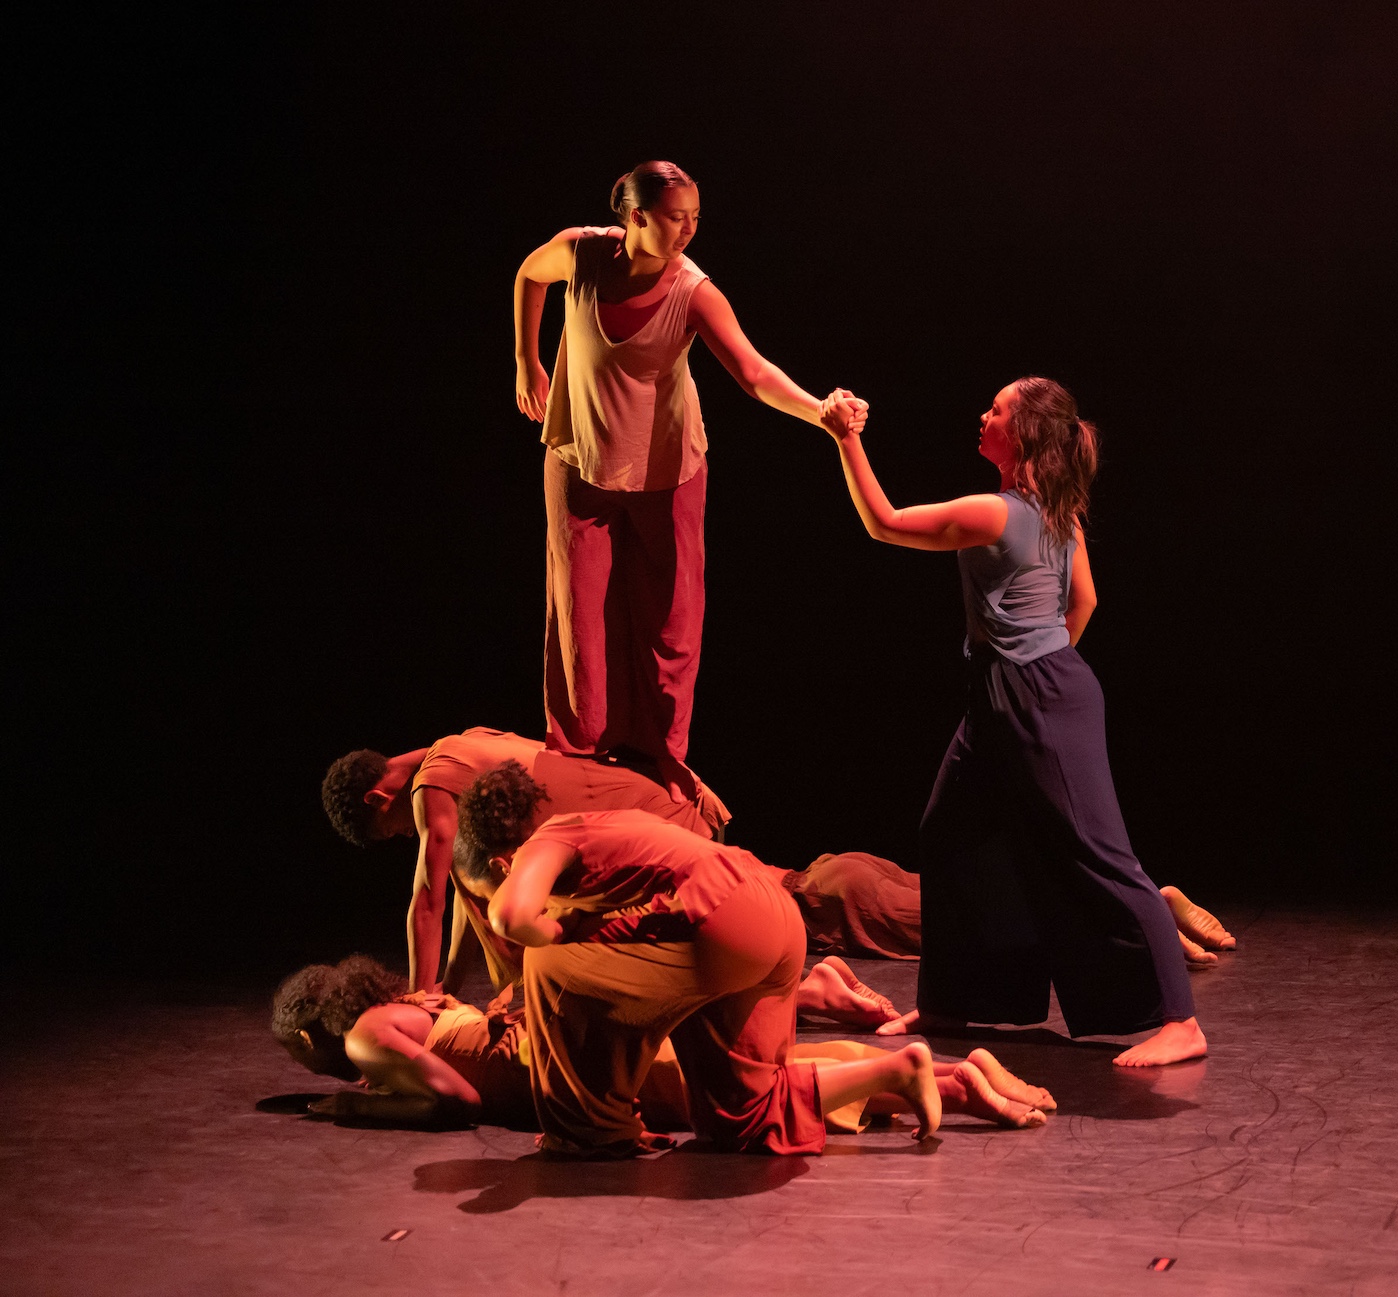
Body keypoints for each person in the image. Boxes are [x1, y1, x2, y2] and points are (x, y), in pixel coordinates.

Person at [819, 378, 1204, 1067]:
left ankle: (1181, 1020)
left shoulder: (995, 512)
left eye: (995, 408)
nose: (982, 414)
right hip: (1013, 692)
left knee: (1102, 851)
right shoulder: (1057, 511)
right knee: (950, 832)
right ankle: (952, 1001)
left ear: (1020, 433)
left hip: (1037, 696)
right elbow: (1084, 600)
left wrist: (845, 438)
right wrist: (1042, 660)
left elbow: (882, 522)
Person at [512, 159, 859, 792]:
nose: (690, 230)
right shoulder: (581, 255)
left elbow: (754, 373)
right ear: (637, 217)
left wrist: (820, 412)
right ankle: (576, 752)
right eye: (678, 218)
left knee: (669, 621)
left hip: (666, 470)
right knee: (577, 612)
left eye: (696, 218)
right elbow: (528, 276)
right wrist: (526, 361)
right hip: (579, 455)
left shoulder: (694, 292)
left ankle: (659, 760)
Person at [453, 765, 915, 1156]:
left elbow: (509, 916)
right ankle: (899, 1071)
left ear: (501, 868)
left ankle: (592, 1133)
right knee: (736, 1115)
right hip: (770, 916)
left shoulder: (547, 841)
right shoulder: (601, 827)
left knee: (548, 963)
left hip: (719, 916)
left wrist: (555, 930)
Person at [269, 954, 1055, 1133]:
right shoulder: (408, 1006)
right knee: (761, 1073)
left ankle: (932, 1074)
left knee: (739, 1101)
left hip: (580, 1069)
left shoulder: (367, 1036)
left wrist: (348, 1109)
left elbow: (456, 1099)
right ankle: (962, 1080)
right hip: (579, 1048)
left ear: (314, 1033)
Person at [319, 726, 729, 993]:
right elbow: (467, 893)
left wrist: (418, 1003)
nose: (408, 834)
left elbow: (428, 903)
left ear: (378, 799)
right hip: (683, 803)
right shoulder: (466, 743)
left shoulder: (431, 785)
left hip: (666, 827)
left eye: (394, 829)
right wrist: (448, 988)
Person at [784, 852, 1238, 968]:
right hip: (836, 871)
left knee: (981, 924)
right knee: (980, 899)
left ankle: (1144, 917)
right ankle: (1140, 904)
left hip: (829, 899)